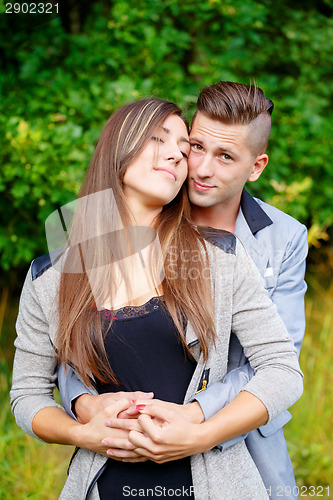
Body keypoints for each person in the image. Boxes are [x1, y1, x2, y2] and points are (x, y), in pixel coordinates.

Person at [10, 97, 303, 500]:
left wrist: (199, 435)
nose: (179, 156)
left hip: (213, 484)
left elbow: (282, 371)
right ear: (119, 145)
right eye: (158, 139)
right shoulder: (50, 277)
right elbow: (27, 394)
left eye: (183, 149)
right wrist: (83, 433)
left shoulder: (218, 258)